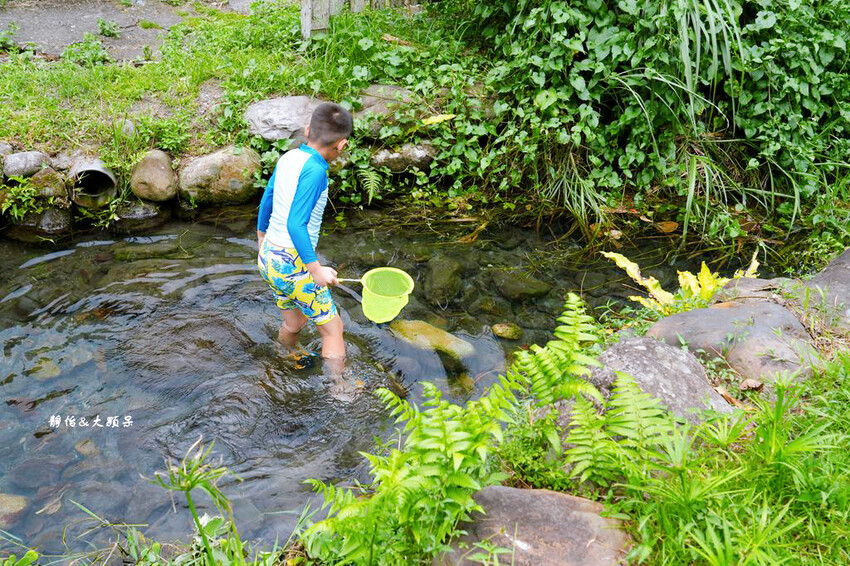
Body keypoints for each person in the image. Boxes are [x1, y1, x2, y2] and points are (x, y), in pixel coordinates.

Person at [256, 102, 352, 363]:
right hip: (293, 264)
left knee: (294, 323)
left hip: (269, 257)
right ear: (341, 145)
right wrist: (316, 269)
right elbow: (295, 224)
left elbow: (268, 198)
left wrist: (262, 238)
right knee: (333, 330)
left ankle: (283, 360)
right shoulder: (317, 170)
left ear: (308, 130)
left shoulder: (288, 157)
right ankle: (338, 390)